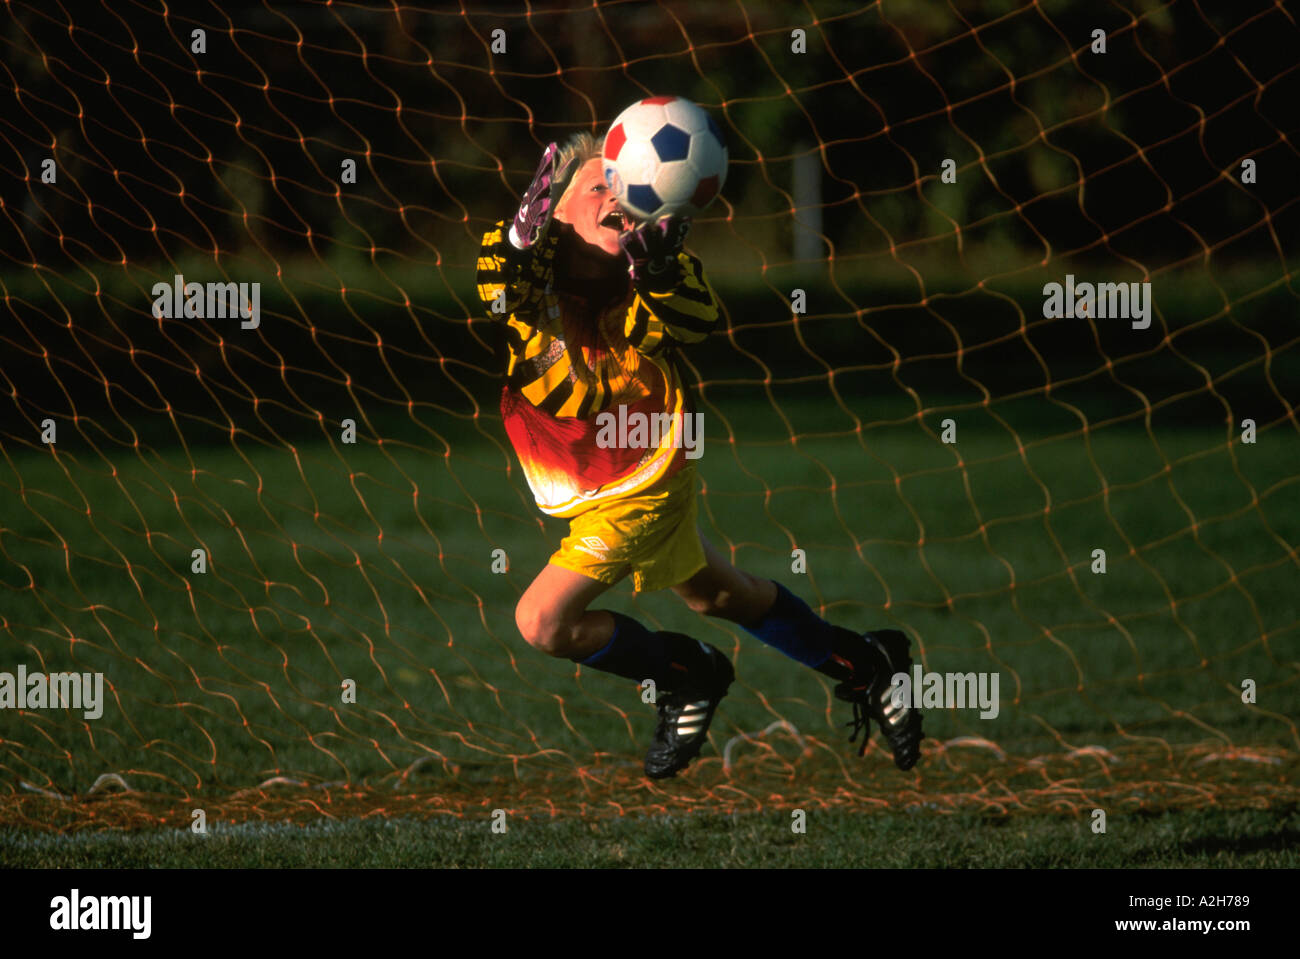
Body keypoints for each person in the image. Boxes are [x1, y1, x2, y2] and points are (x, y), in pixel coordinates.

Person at [475, 132, 924, 778]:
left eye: (627, 187)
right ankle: (866, 662)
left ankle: (686, 672)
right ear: (554, 207)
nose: (614, 198)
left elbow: (689, 319)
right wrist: (518, 240)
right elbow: (496, 288)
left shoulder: (653, 271)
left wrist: (654, 276)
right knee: (717, 595)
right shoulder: (529, 267)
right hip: (584, 477)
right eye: (597, 185)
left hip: (643, 475)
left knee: (542, 620)